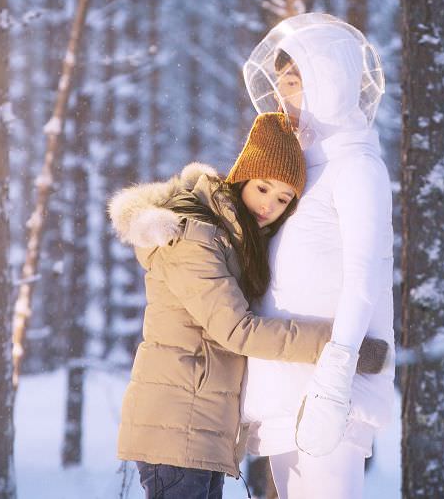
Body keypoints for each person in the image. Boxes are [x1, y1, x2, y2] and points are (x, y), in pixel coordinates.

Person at [107, 112, 388, 499]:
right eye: (263, 187)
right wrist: (341, 346)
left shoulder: (231, 242)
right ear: (242, 175)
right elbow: (238, 330)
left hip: (199, 429)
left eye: (283, 198)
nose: (269, 204)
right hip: (176, 426)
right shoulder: (193, 238)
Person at [240, 13, 395, 499]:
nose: (285, 96)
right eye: (282, 82)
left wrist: (336, 370)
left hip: (329, 388)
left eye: (295, 82)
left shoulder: (357, 165)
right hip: (285, 385)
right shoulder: (304, 168)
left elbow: (364, 277)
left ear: (330, 83)